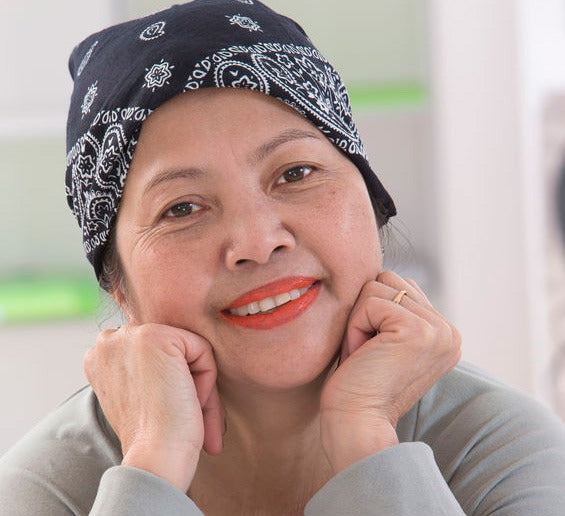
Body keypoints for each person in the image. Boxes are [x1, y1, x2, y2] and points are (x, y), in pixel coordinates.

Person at [1, 1, 565, 514]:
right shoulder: (51, 487)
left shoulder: (503, 449)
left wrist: (365, 439)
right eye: (181, 208)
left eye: (296, 173)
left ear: (372, 202)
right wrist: (151, 468)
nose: (256, 241)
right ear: (118, 285)